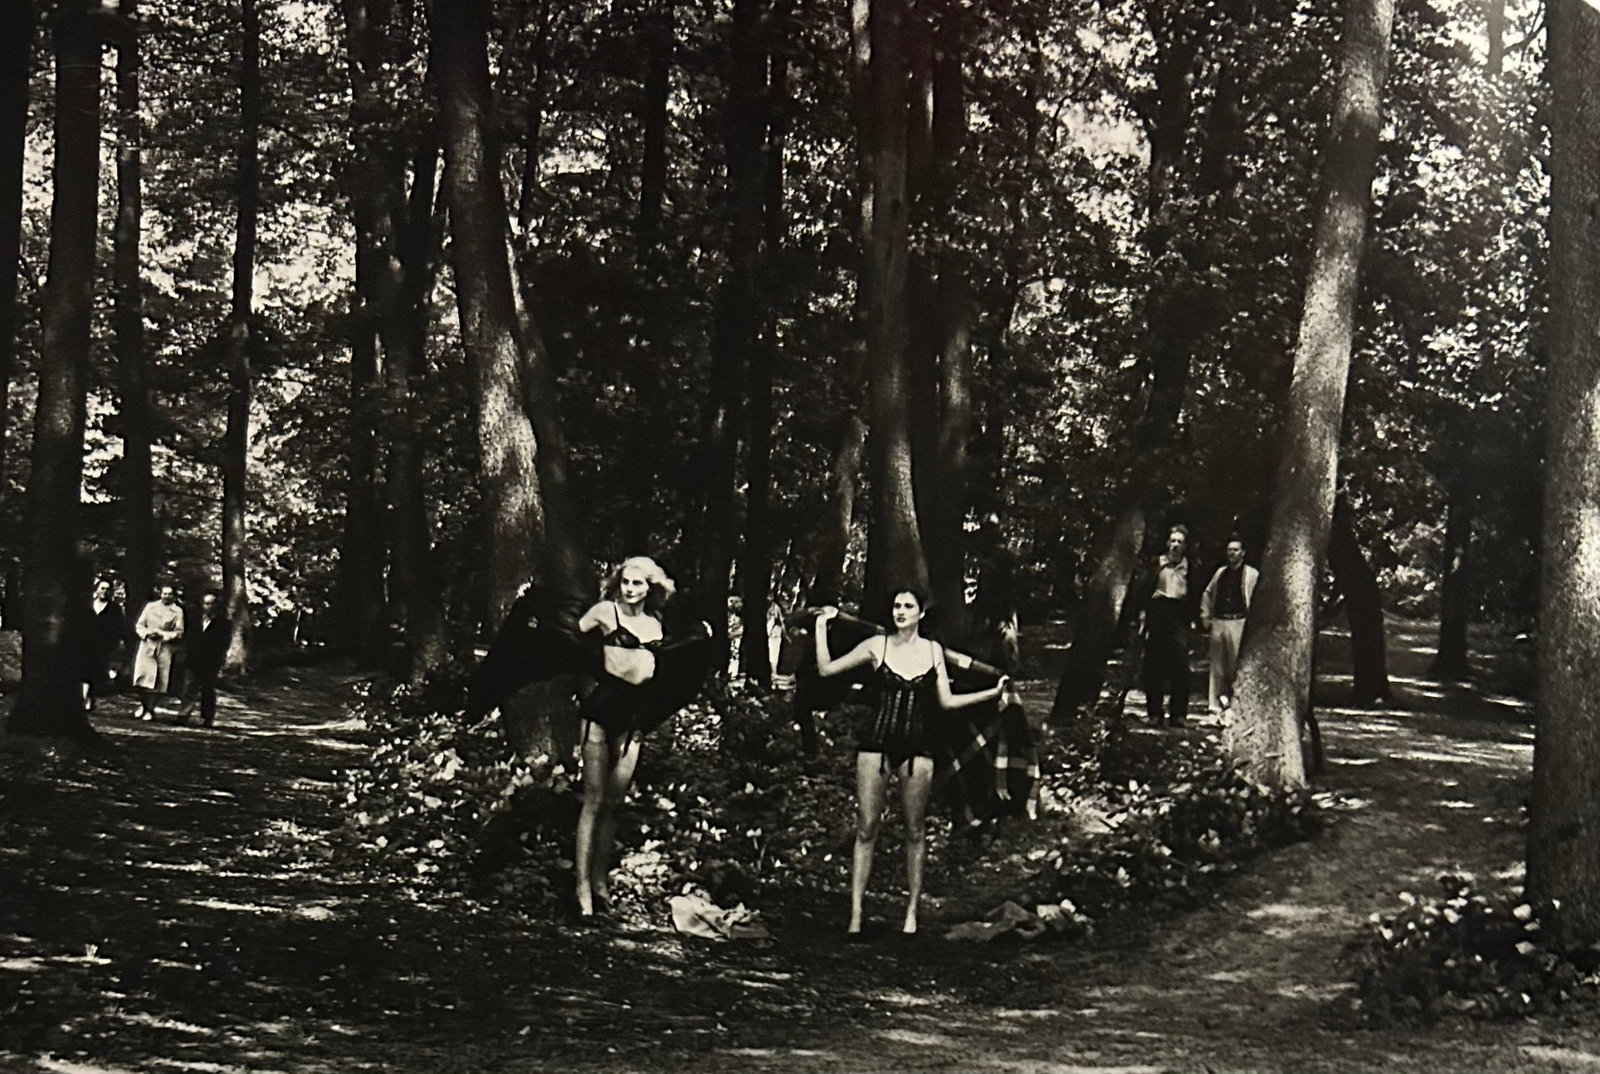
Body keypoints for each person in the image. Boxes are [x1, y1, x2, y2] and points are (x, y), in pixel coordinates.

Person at [814, 587, 1013, 937]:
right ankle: (856, 914)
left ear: (921, 613)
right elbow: (826, 670)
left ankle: (910, 915)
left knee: (915, 828)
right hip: (876, 744)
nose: (900, 611)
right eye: (896, 606)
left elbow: (947, 703)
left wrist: (992, 693)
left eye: (908, 606)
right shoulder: (878, 646)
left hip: (919, 747)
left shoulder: (933, 651)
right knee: (866, 826)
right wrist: (821, 627)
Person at [570, 556, 679, 918]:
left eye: (638, 584)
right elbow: (569, 635)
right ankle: (581, 887)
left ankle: (600, 882)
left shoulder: (656, 623)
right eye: (626, 582)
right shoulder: (605, 612)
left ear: (652, 587)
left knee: (615, 803)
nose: (631, 590)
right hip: (602, 710)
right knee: (594, 799)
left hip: (635, 716)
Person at [1139, 525, 1196, 724]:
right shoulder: (1156, 564)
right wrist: (1142, 615)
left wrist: (1194, 620)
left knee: (1179, 666)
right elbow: (1143, 589)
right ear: (1167, 543)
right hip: (1157, 611)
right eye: (1173, 541)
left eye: (1179, 542)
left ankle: (1178, 714)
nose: (1175, 545)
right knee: (1153, 665)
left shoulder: (1190, 567)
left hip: (1179, 614)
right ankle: (1154, 712)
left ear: (1185, 546)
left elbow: (1195, 595)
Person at [1200, 536, 1260, 716]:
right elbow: (1208, 593)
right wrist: (1205, 616)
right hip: (1219, 621)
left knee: (1235, 664)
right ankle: (1215, 704)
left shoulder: (1251, 574)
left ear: (1243, 552)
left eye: (1235, 550)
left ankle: (1235, 704)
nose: (1231, 553)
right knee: (1217, 666)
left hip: (1239, 621)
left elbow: (1256, 600)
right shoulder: (1220, 573)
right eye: (1229, 550)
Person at [132, 585, 185, 721]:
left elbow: (179, 632)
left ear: (173, 596)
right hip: (147, 646)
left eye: (169, 594)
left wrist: (163, 635)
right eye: (164, 593)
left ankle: (150, 709)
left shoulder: (177, 611)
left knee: (160, 681)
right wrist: (147, 633)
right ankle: (143, 705)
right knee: (142, 679)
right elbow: (139, 625)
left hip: (164, 647)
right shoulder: (150, 607)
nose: (166, 596)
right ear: (160, 594)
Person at [177, 592, 230, 728]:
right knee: (189, 687)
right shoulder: (194, 620)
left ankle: (207, 718)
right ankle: (184, 714)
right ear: (202, 605)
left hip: (211, 661)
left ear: (216, 605)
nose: (209, 606)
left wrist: (219, 660)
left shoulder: (224, 623)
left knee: (207, 689)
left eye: (212, 603)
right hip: (193, 659)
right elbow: (188, 638)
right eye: (207, 603)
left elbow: (224, 644)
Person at [81, 578, 125, 711]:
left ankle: (89, 697)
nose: (104, 592)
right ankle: (84, 698)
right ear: (96, 589)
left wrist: (115, 645)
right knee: (83, 671)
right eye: (102, 588)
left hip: (104, 646)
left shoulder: (114, 609)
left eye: (107, 589)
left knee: (96, 673)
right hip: (85, 644)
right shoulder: (88, 605)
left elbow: (118, 628)